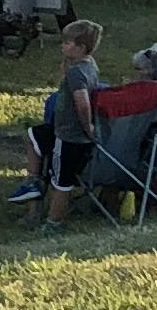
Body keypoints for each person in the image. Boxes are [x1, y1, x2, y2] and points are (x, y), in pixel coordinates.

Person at [18, 18, 106, 228]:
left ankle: (54, 221)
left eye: (68, 43)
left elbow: (82, 103)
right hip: (60, 128)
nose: (62, 46)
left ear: (81, 47)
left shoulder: (78, 72)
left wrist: (88, 127)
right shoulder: (87, 66)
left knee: (61, 180)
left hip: (70, 135)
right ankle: (33, 180)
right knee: (32, 135)